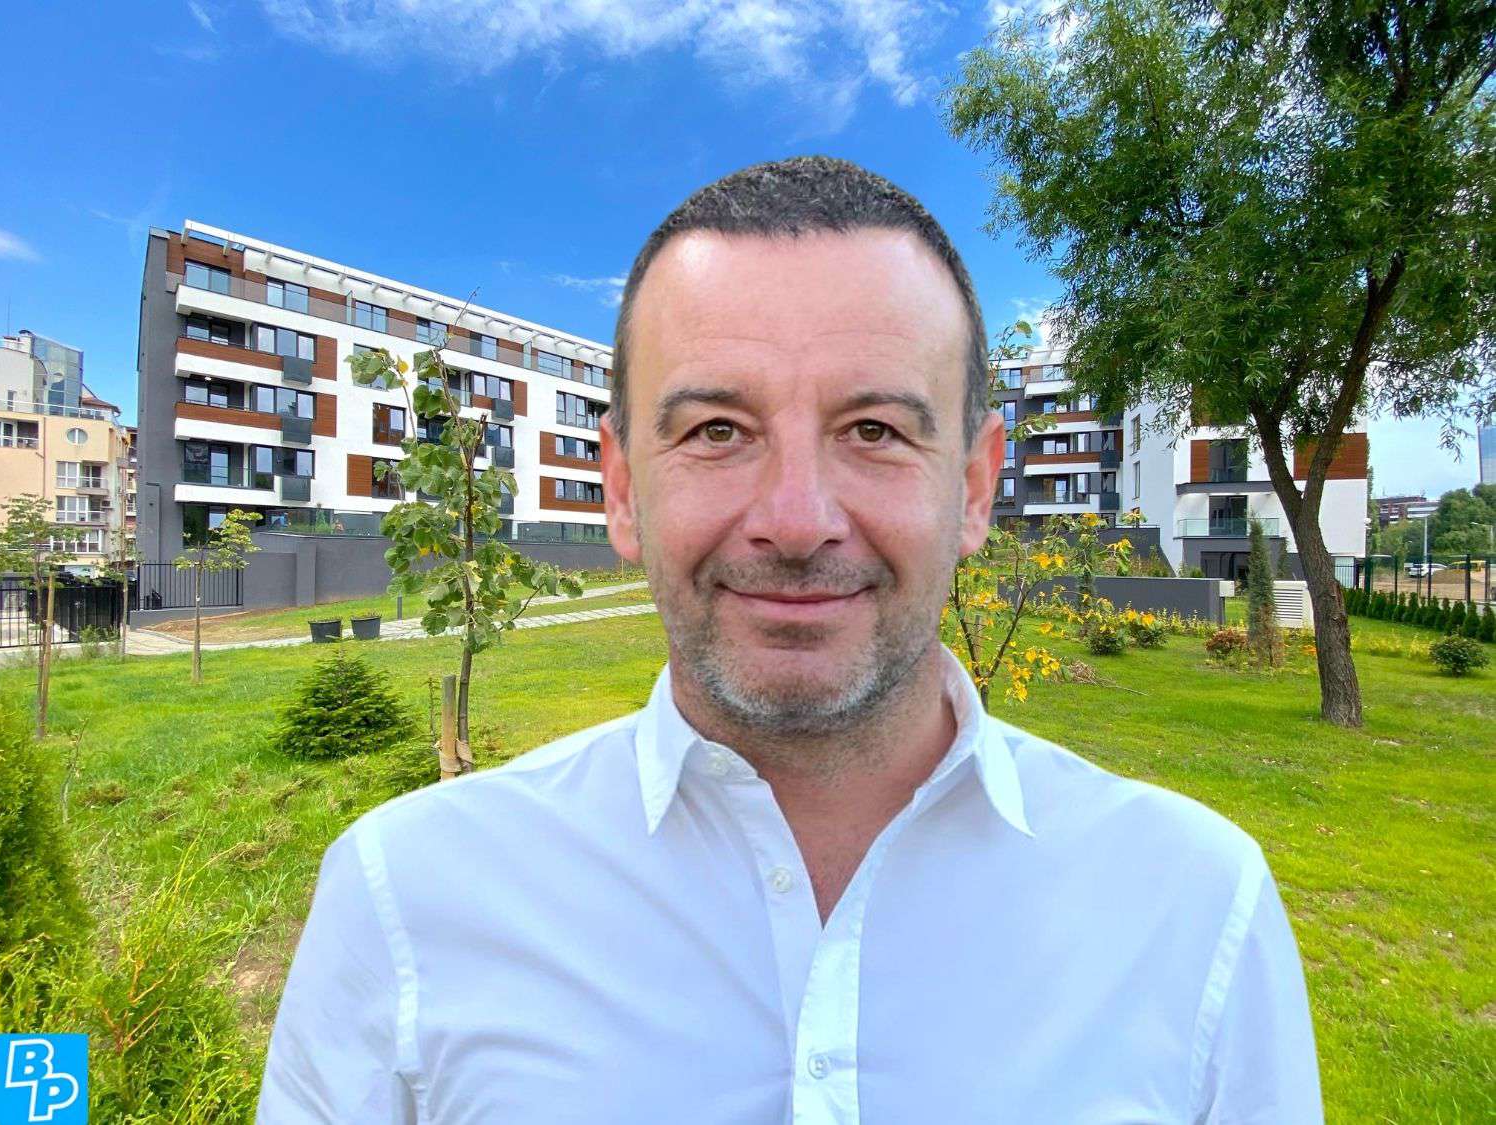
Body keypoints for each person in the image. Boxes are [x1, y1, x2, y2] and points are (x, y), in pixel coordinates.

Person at [258, 157, 1322, 1123]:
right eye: (718, 431)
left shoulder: (1193, 913)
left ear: (974, 487)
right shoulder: (406, 903)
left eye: (875, 431)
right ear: (621, 488)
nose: (797, 520)